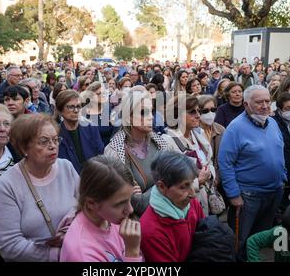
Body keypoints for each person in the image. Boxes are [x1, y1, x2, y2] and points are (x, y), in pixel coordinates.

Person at [0, 114, 79, 262]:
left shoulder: (66, 167)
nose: (53, 146)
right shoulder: (7, 185)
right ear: (24, 148)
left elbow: (86, 208)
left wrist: (70, 231)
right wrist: (57, 255)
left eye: (56, 139)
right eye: (44, 142)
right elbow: (10, 246)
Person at [218, 85, 286, 259]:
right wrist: (233, 194)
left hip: (274, 191)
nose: (264, 106)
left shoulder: (272, 122)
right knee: (241, 241)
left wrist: (283, 175)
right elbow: (225, 163)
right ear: (246, 104)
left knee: (260, 238)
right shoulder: (235, 128)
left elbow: (279, 150)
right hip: (248, 196)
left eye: (267, 101)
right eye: (259, 102)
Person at [60, 155, 142, 262]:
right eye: (119, 204)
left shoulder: (109, 219)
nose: (130, 210)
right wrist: (132, 252)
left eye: (129, 199)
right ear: (91, 203)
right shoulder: (82, 254)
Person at [104, 88, 169, 216]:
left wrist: (148, 192)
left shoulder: (160, 143)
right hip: (138, 225)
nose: (151, 117)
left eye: (151, 111)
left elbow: (177, 180)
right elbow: (137, 204)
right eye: (144, 112)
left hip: (167, 216)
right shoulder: (115, 151)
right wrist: (166, 183)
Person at [140, 151, 205, 262]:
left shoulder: (191, 203)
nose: (193, 194)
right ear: (162, 186)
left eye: (191, 183)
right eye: (184, 187)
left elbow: (206, 237)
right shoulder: (151, 231)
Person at [163, 95, 215, 215]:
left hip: (204, 201)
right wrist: (198, 182)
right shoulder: (167, 141)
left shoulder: (198, 135)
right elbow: (170, 181)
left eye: (198, 111)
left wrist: (209, 174)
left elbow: (209, 161)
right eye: (192, 112)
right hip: (183, 209)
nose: (198, 115)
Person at [55, 90, 104, 174]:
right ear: (60, 111)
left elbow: (100, 155)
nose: (76, 110)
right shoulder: (56, 134)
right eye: (71, 107)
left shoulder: (91, 128)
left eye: (78, 106)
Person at [81, 82, 118, 147]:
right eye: (98, 94)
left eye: (104, 93)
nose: (102, 95)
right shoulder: (84, 114)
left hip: (111, 149)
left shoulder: (108, 108)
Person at [197, 95, 225, 178]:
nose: (210, 113)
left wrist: (218, 176)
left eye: (213, 110)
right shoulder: (193, 131)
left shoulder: (221, 129)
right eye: (205, 111)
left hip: (219, 176)